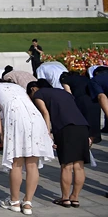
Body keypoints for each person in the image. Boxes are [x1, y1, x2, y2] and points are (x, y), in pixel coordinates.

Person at [0, 79, 54, 215]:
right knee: (32, 164)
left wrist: (1, 132)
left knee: (17, 162)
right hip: (35, 118)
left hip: (15, 118)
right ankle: (28, 203)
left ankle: (14, 201)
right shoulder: (18, 87)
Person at [28, 80, 90, 208]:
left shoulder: (39, 94)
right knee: (79, 165)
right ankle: (75, 198)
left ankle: (65, 198)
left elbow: (45, 113)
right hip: (82, 126)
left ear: (33, 88)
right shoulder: (64, 93)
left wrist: (47, 133)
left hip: (65, 128)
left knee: (67, 165)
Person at [60, 71, 102, 143]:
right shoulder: (85, 78)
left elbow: (69, 95)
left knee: (82, 125)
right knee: (92, 127)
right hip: (94, 101)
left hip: (81, 102)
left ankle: (84, 147)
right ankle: (89, 145)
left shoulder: (65, 80)